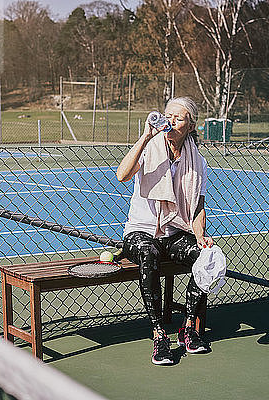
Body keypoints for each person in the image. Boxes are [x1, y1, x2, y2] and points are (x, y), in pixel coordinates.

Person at [116, 97, 213, 365]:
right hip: (140, 233)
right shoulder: (150, 149)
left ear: (191, 125)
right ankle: (160, 334)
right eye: (168, 115)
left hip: (172, 233)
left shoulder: (198, 162)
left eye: (178, 118)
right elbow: (122, 175)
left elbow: (197, 207)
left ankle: (189, 326)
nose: (170, 121)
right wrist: (146, 136)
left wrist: (201, 235)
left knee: (207, 256)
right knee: (148, 253)